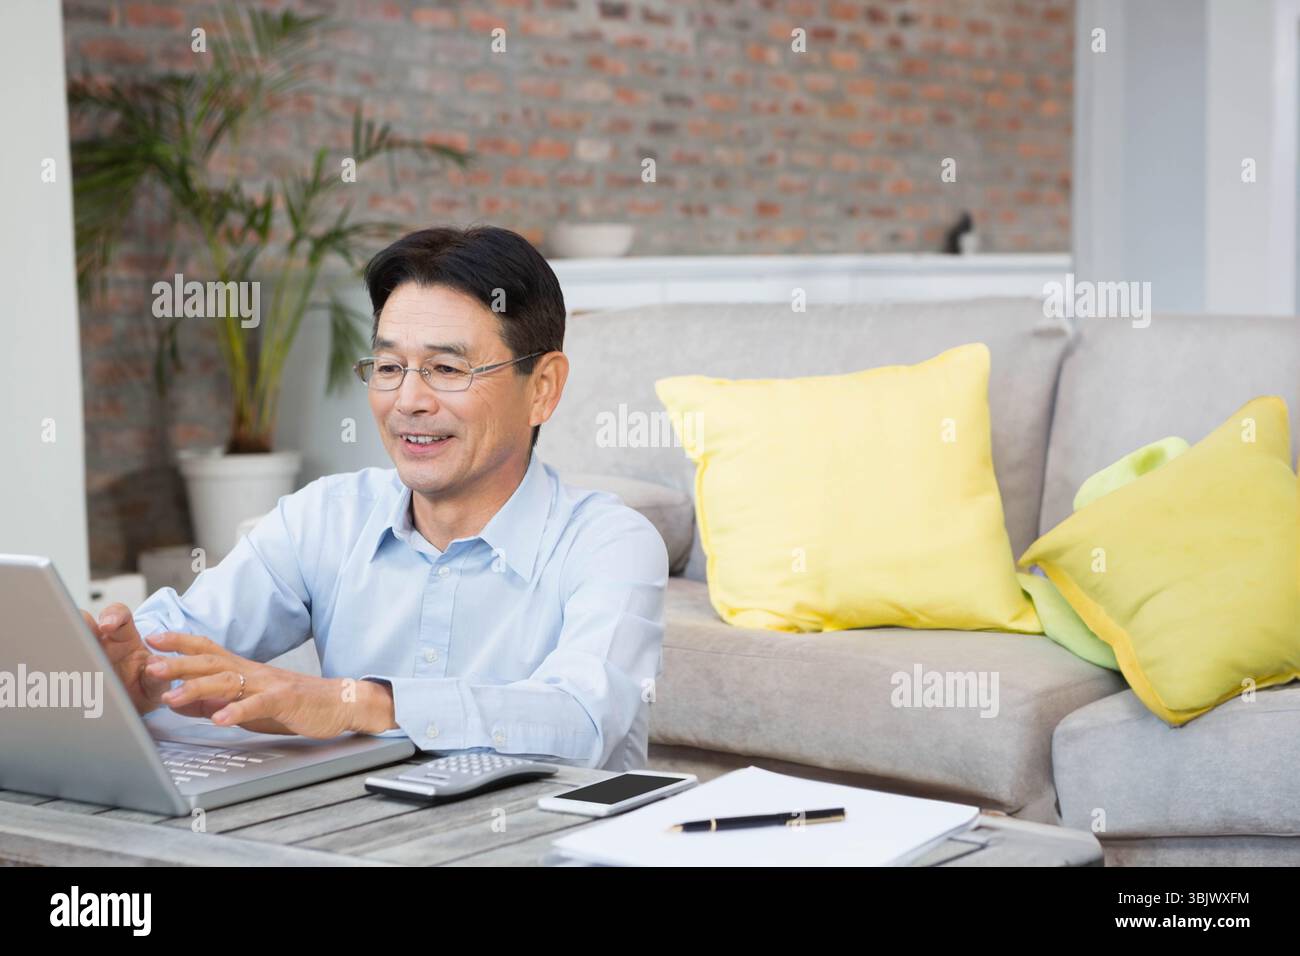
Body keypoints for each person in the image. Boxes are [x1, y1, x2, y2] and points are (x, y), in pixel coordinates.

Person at [83, 225, 669, 771]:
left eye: (445, 368)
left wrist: (355, 703)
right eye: (389, 366)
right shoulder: (323, 517)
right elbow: (181, 633)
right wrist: (130, 663)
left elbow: (582, 719)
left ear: (542, 388)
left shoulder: (610, 544)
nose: (408, 399)